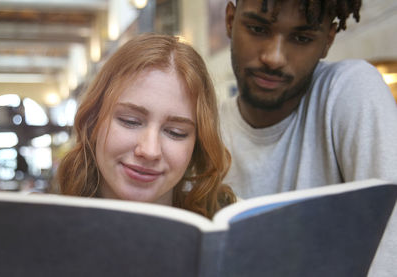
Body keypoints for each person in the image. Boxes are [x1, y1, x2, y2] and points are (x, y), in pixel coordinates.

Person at [220, 0, 397, 276]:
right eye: (258, 28)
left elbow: (390, 249)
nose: (274, 57)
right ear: (230, 20)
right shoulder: (203, 130)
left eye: (302, 38)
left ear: (328, 40)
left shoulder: (349, 89)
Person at [55, 34, 236, 218]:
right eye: (130, 121)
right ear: (93, 121)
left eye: (176, 133)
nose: (150, 151)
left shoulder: (226, 227)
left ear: (197, 145)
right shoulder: (43, 226)